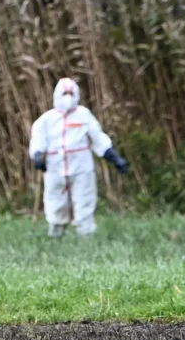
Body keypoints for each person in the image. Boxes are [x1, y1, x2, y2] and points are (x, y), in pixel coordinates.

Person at [29, 78, 129, 237]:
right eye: (64, 93)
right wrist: (37, 157)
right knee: (56, 203)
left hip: (81, 168)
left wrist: (114, 158)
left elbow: (98, 138)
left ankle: (86, 237)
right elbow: (38, 141)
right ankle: (56, 235)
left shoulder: (83, 115)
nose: (68, 97)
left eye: (71, 93)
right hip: (55, 168)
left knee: (84, 201)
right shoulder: (46, 120)